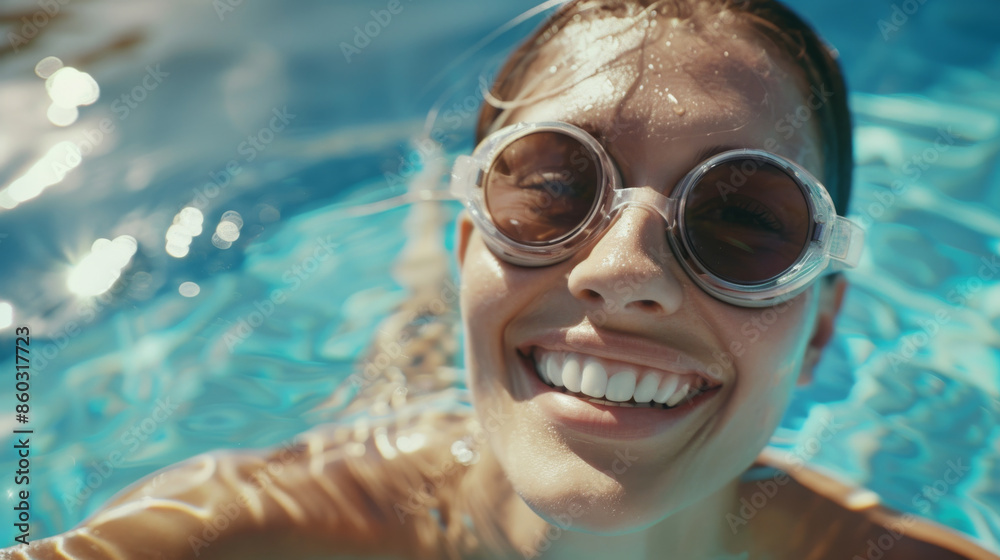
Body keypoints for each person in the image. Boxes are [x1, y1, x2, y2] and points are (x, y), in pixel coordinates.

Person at [3, 1, 998, 559]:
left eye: (740, 221)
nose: (621, 273)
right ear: (467, 248)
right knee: (419, 353)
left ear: (822, 321)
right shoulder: (252, 533)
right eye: (553, 191)